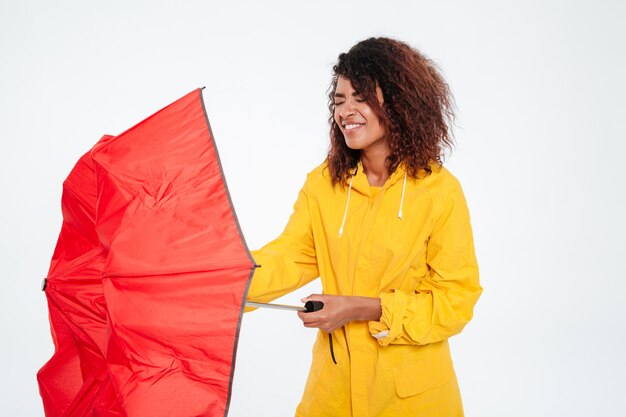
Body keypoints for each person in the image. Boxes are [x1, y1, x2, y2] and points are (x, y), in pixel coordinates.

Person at [246, 37, 482, 417]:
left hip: (411, 401)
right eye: (339, 101)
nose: (346, 111)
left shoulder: (439, 191)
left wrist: (360, 309)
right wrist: (217, 280)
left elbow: (455, 299)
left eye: (361, 98)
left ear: (400, 102)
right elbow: (288, 257)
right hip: (332, 396)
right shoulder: (323, 184)